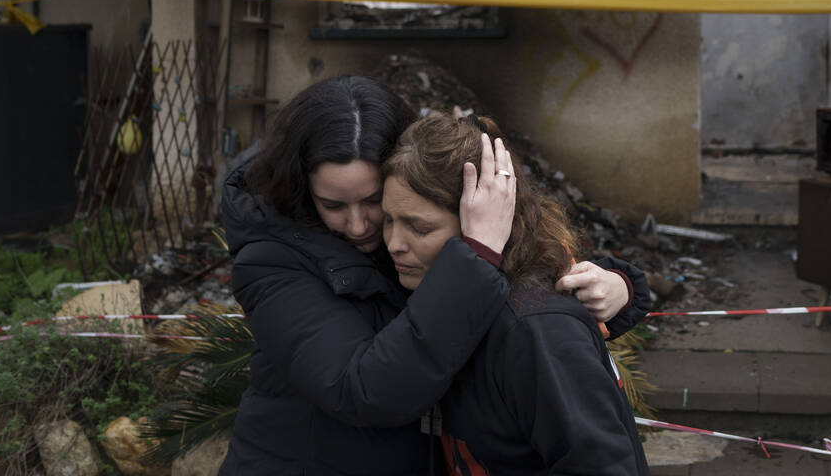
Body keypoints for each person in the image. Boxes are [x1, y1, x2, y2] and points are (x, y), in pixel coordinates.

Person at [220, 75, 647, 475]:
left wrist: (616, 289)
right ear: (300, 186)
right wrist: (475, 257)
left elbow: (528, 297)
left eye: (373, 202)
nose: (359, 226)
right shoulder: (271, 260)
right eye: (332, 205)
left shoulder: (429, 238)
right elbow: (365, 389)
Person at [382, 112, 652, 475]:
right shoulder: (431, 290)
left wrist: (623, 285)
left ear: (484, 221)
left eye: (419, 228)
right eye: (387, 219)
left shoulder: (534, 329)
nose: (394, 244)